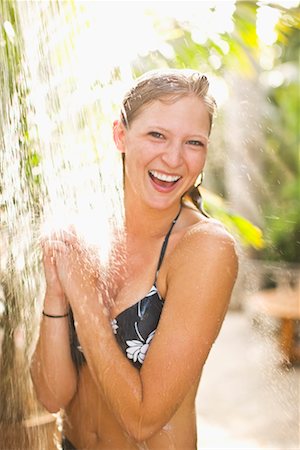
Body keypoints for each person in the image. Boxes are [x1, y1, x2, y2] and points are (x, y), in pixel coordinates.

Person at [30, 68, 238, 450]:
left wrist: (85, 296)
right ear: (120, 135)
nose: (174, 158)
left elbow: (143, 420)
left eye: (193, 142)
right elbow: (51, 396)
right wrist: (58, 294)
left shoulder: (204, 249)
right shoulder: (91, 230)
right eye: (157, 135)